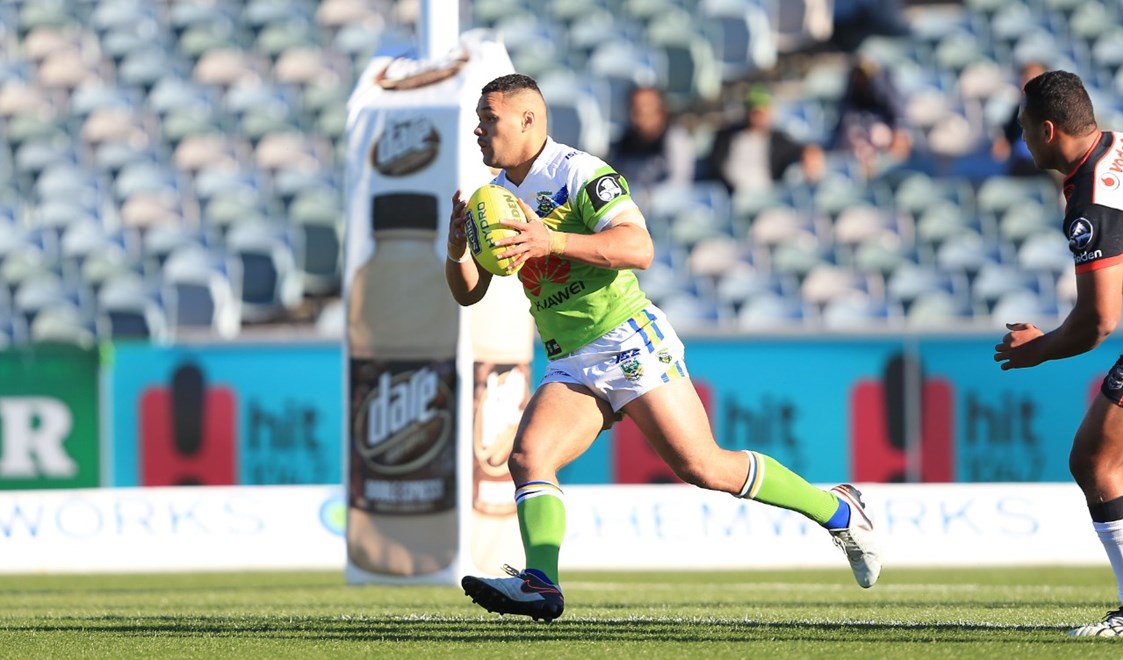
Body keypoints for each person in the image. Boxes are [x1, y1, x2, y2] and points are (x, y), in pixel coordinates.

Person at [446, 73, 881, 623]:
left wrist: (551, 239)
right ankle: (542, 584)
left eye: (489, 119)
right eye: (478, 121)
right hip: (570, 357)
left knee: (704, 467)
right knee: (529, 457)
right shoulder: (494, 198)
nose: (479, 130)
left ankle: (838, 510)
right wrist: (457, 248)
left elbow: (639, 247)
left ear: (528, 119)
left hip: (627, 338)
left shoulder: (579, 172)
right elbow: (470, 292)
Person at [992, 70, 1123, 637]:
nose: (1022, 139)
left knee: (1096, 460)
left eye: (1024, 129)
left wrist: (1039, 350)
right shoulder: (1115, 149)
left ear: (1048, 130)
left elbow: (1099, 320)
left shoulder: (1092, 198)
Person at [607, 85, 695, 208]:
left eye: (644, 108)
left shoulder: (676, 139)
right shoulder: (622, 141)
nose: (637, 114)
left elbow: (679, 183)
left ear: (660, 110)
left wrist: (647, 197)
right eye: (633, 107)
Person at [828, 55, 911, 178]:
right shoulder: (853, 86)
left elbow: (898, 113)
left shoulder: (882, 86)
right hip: (866, 121)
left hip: (872, 120)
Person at [991, 61, 1049, 177]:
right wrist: (1002, 143)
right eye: (1026, 78)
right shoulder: (1019, 108)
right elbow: (1007, 138)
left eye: (1035, 79)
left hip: (1047, 165)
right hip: (1021, 164)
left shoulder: (1053, 108)